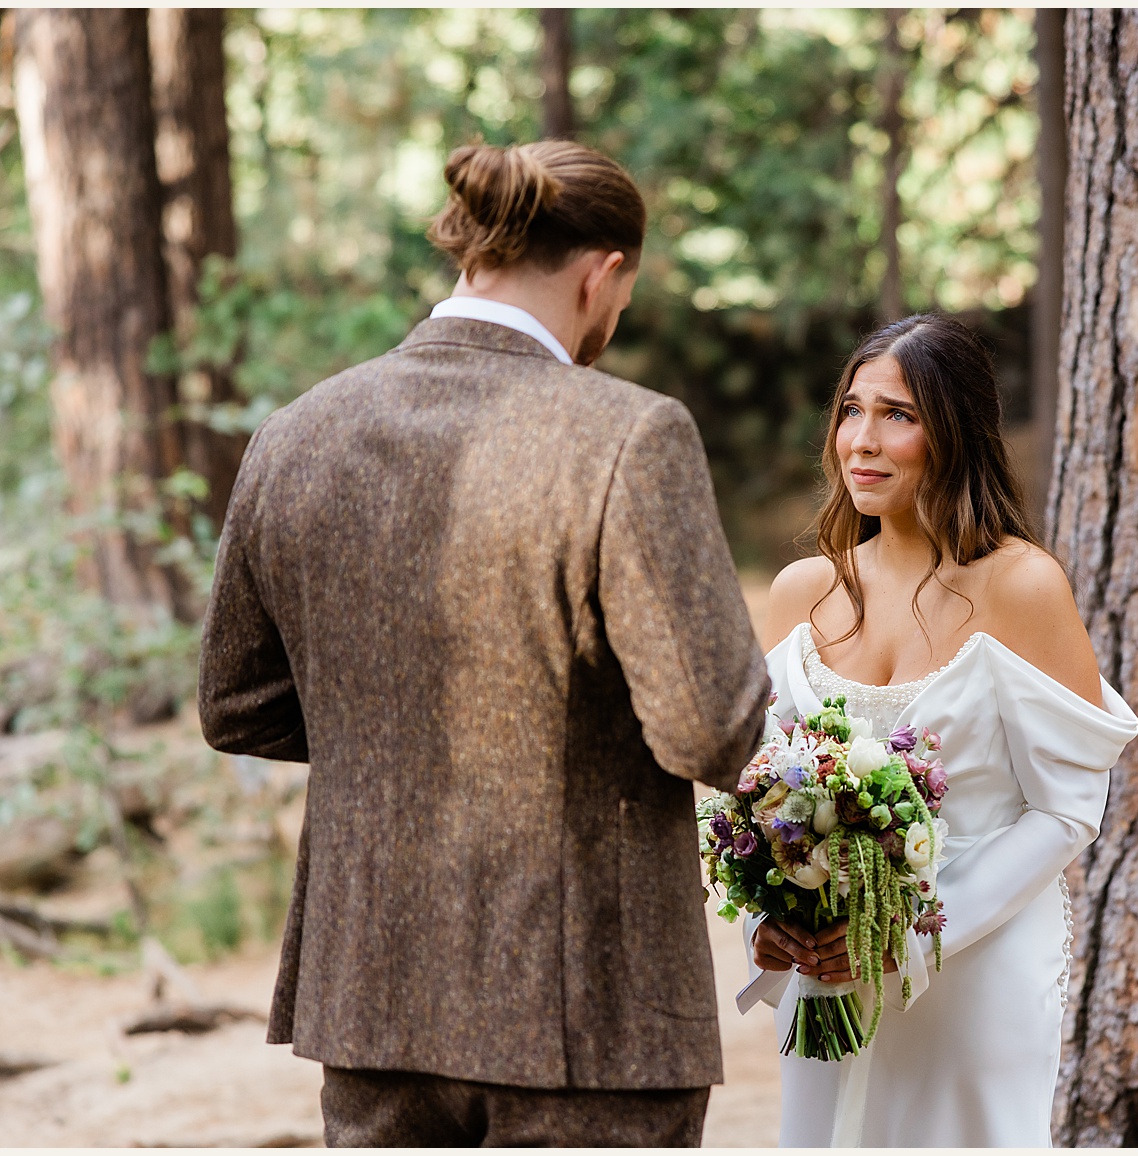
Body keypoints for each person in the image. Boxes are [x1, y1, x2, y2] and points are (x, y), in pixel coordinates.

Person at [199, 139, 770, 1147]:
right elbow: (709, 727)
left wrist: (388, 729)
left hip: (371, 991)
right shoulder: (629, 435)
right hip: (590, 1009)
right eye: (624, 295)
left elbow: (235, 702)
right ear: (603, 275)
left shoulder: (294, 433)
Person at [742, 314, 1138, 1145]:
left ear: (954, 431)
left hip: (974, 969)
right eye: (852, 411)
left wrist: (910, 936)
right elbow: (761, 797)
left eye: (898, 415)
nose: (862, 440)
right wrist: (769, 920)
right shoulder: (800, 594)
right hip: (824, 980)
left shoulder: (1022, 587)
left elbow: (1067, 809)